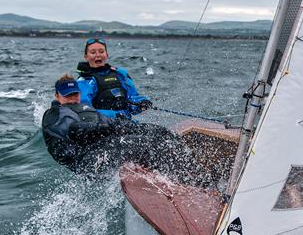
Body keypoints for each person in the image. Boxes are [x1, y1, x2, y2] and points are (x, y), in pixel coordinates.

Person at [42, 74, 206, 185]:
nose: (72, 98)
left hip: (104, 147)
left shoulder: (84, 108)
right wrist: (109, 128)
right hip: (86, 162)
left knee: (160, 133)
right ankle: (185, 181)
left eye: (75, 94)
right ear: (57, 96)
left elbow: (110, 124)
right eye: (67, 95)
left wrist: (135, 126)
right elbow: (76, 130)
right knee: (142, 144)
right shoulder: (55, 114)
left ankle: (197, 175)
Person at [76, 38, 152, 120]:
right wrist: (115, 115)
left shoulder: (121, 74)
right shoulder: (83, 81)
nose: (98, 55)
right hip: (101, 126)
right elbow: (85, 111)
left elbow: (132, 99)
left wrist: (142, 103)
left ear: (107, 55)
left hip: (126, 123)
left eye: (101, 52)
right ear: (86, 57)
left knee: (163, 131)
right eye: (93, 52)